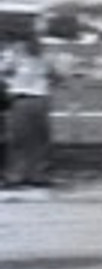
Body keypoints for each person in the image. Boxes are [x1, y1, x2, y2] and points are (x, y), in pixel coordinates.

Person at [1, 37, 58, 187]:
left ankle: (38, 175)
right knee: (18, 138)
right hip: (20, 98)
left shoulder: (45, 61)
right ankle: (15, 175)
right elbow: (4, 73)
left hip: (39, 99)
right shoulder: (14, 60)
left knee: (40, 139)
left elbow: (56, 77)